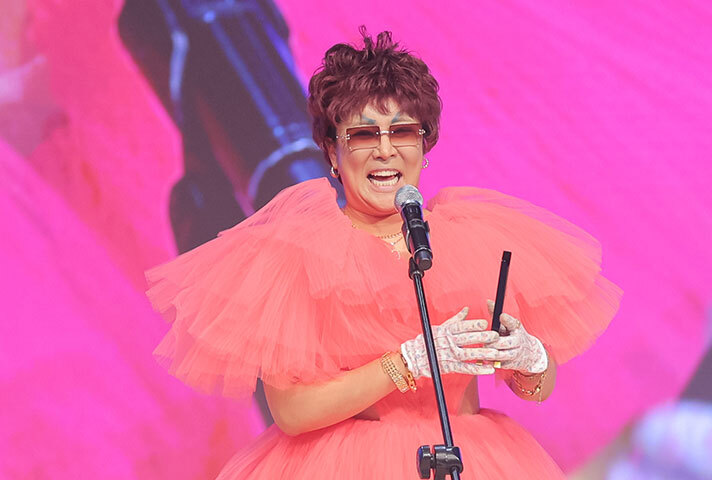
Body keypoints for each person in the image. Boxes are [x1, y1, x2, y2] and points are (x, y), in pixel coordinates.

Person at [145, 29, 622, 479]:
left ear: (425, 145)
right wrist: (408, 362)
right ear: (332, 151)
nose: (385, 151)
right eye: (364, 135)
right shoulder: (299, 254)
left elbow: (536, 388)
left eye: (403, 132)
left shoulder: (474, 237)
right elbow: (291, 411)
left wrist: (530, 358)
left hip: (476, 458)